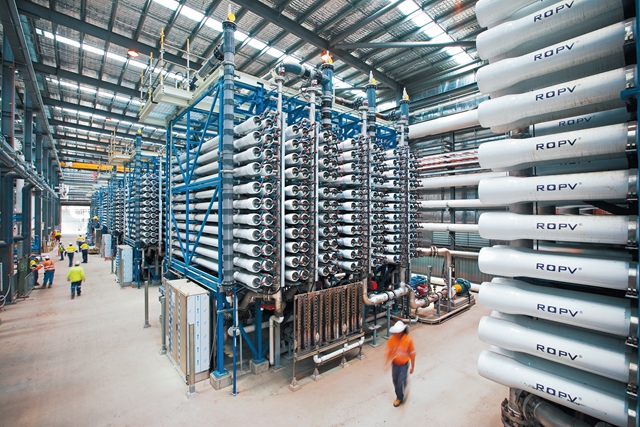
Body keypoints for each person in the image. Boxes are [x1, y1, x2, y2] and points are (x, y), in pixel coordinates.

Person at [385, 320, 416, 407]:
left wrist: (412, 367)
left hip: (404, 365)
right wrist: (386, 364)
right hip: (395, 364)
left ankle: (399, 398)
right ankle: (400, 393)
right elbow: (389, 352)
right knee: (395, 380)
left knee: (400, 382)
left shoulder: (408, 340)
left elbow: (412, 354)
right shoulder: (392, 340)